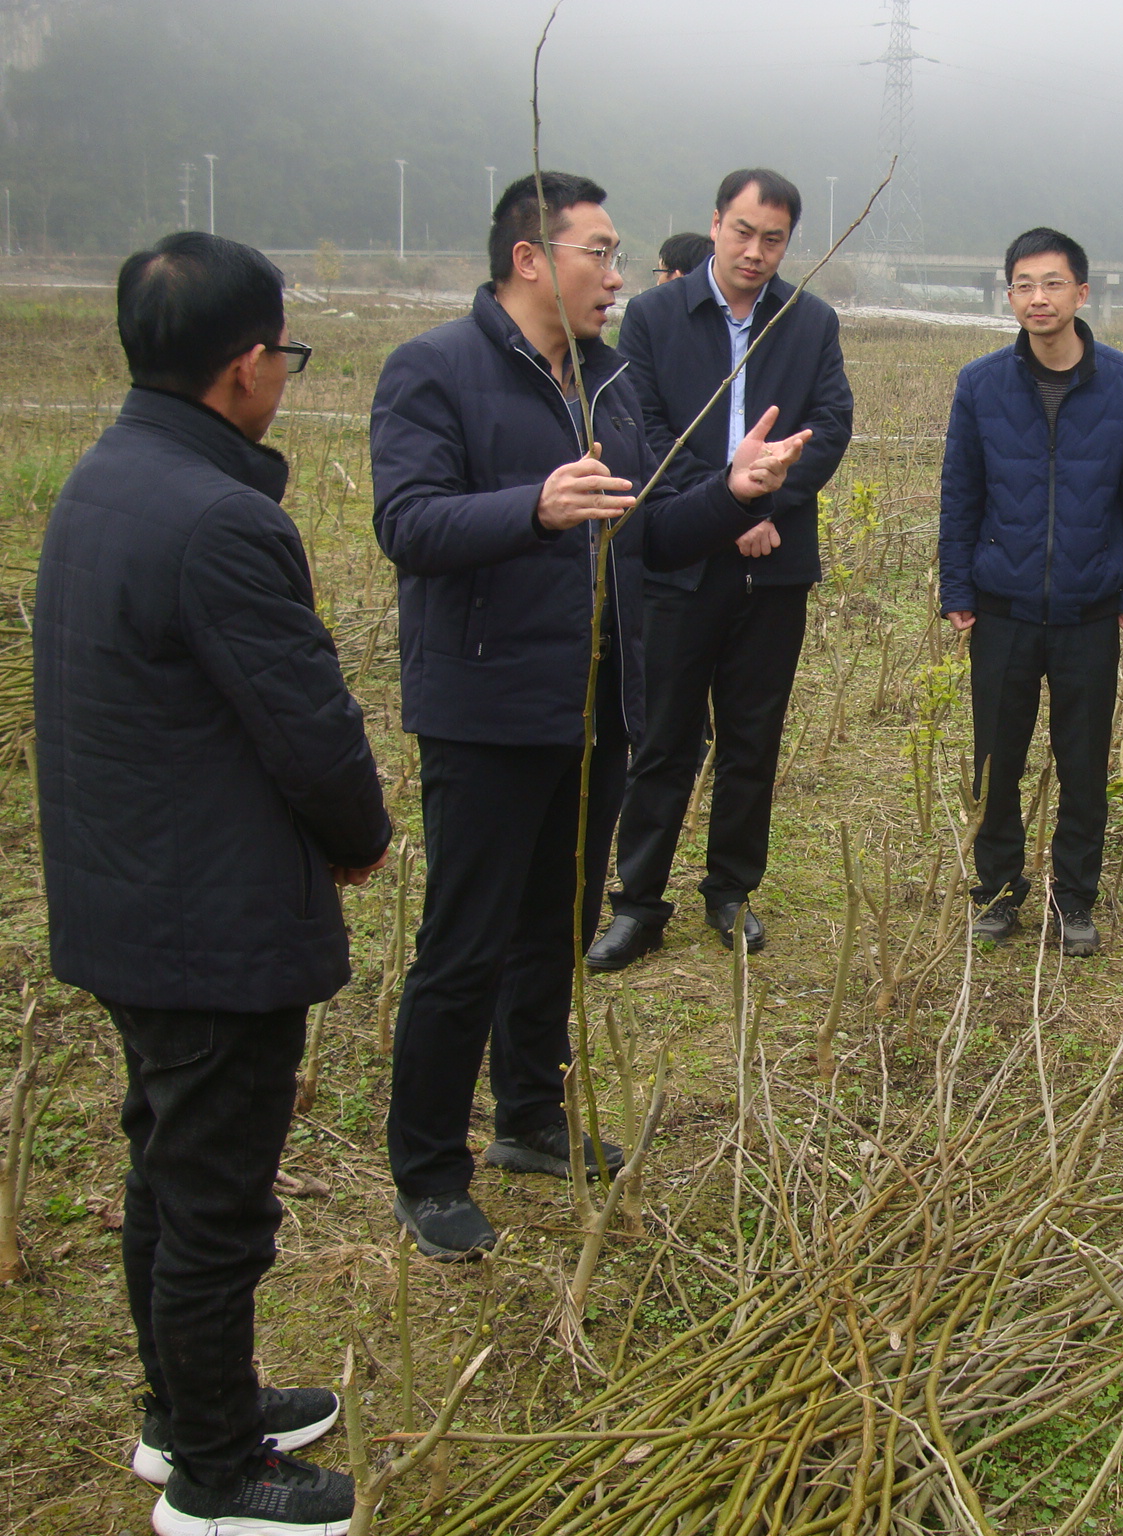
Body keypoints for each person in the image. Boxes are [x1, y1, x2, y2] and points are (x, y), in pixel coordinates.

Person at [372, 172, 810, 1260]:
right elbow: (408, 523)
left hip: (598, 703)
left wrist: (736, 493)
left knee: (554, 928)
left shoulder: (609, 386)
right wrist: (531, 507)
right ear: (530, 258)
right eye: (598, 254)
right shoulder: (435, 370)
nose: (619, 278)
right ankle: (427, 1169)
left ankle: (527, 1116)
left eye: (618, 257)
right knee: (461, 945)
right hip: (486, 708)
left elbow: (655, 531)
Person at [36, 232, 390, 1534]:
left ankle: (190, 1408)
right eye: (284, 355)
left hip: (132, 902)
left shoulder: (107, 478)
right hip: (208, 926)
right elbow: (311, 728)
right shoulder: (225, 518)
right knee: (216, 1207)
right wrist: (359, 832)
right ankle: (217, 1477)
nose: (286, 377)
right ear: (246, 366)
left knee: (167, 1172)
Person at [586, 169, 852, 967]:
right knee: (662, 737)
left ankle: (730, 892)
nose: (755, 251)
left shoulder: (810, 323)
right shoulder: (655, 316)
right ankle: (637, 903)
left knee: (751, 738)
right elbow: (642, 430)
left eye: (773, 238)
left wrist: (763, 507)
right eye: (743, 231)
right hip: (678, 562)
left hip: (775, 569)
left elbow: (831, 425)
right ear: (715, 224)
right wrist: (723, 506)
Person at [938, 226, 1123, 956]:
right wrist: (956, 584)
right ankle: (999, 894)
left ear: (1082, 292)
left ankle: (1074, 899)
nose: (1038, 298)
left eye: (1053, 283)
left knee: (1083, 762)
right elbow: (960, 493)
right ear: (1009, 296)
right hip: (1001, 605)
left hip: (1088, 608)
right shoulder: (979, 384)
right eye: (1024, 286)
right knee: (996, 760)